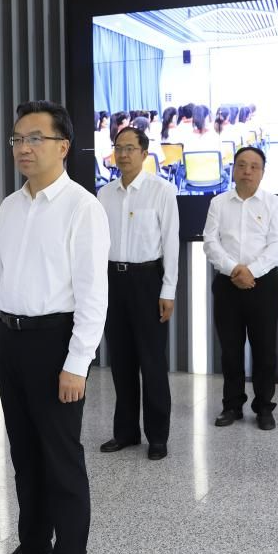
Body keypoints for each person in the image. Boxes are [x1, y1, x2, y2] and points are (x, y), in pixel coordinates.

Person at [0, 100, 108, 554]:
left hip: (56, 343)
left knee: (60, 456)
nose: (23, 148)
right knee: (25, 453)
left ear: (63, 146)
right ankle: (33, 547)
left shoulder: (82, 208)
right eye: (17, 139)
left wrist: (77, 364)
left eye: (35, 138)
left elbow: (93, 296)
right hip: (12, 340)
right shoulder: (11, 206)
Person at [97, 126, 179, 460]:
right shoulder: (104, 194)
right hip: (112, 281)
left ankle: (157, 436)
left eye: (130, 148)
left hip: (147, 281)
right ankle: (126, 432)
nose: (123, 154)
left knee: (152, 362)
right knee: (121, 361)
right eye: (118, 147)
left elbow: (171, 242)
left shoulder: (162, 190)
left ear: (145, 153)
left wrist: (168, 289)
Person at [203, 146, 278, 430]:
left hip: (262, 284)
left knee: (265, 350)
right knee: (230, 350)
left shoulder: (274, 204)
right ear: (233, 170)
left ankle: (264, 407)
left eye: (254, 166)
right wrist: (234, 270)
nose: (247, 171)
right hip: (227, 284)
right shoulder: (218, 203)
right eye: (241, 165)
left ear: (262, 172)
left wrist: (251, 272)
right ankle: (232, 405)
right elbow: (210, 242)